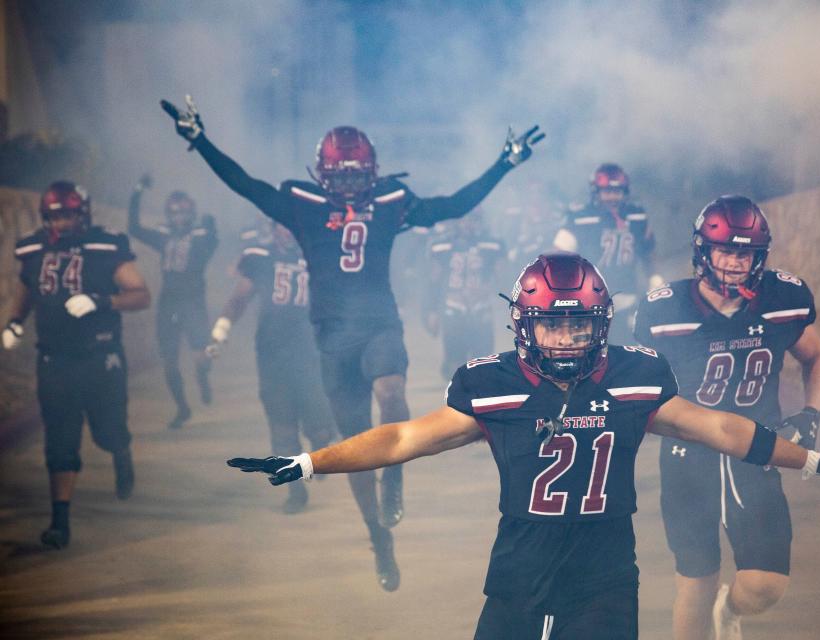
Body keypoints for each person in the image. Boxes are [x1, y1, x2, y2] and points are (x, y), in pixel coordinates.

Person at [227, 252, 820, 640]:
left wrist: (814, 459)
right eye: (552, 322)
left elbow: (723, 428)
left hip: (604, 579)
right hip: (518, 573)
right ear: (524, 322)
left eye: (577, 323)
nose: (565, 338)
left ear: (600, 324)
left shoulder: (634, 377)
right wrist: (311, 462)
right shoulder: (494, 385)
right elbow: (402, 437)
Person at [161, 95, 543, 591]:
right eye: (340, 177)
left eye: (356, 176)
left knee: (391, 393)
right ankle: (377, 537)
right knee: (355, 449)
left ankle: (397, 475)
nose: (348, 186)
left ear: (372, 171)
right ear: (323, 175)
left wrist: (503, 164)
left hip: (378, 323)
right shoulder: (303, 204)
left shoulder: (389, 201)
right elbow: (244, 184)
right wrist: (199, 140)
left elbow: (453, 205)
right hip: (331, 336)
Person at [633, 195, 820, 640]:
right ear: (702, 251)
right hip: (689, 456)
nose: (733, 262)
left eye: (744, 252)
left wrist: (812, 413)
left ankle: (730, 611)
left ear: (759, 257)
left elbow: (816, 355)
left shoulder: (784, 298)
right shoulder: (664, 311)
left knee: (765, 586)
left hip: (756, 453)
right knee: (696, 581)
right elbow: (639, 385)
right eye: (724, 250)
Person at [2, 181, 151, 549]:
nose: (62, 223)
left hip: (100, 357)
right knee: (60, 440)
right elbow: (25, 290)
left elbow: (141, 294)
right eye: (55, 215)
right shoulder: (34, 248)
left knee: (107, 431)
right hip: (54, 357)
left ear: (82, 214)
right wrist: (14, 322)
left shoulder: (106, 246)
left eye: (68, 214)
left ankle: (121, 451)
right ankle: (60, 521)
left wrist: (101, 301)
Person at [206, 220, 336, 514]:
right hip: (273, 352)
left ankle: (321, 451)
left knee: (319, 421)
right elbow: (240, 298)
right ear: (274, 228)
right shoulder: (260, 257)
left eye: (291, 226)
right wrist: (221, 331)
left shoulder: (318, 255)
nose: (288, 231)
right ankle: (295, 489)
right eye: (282, 225)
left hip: (311, 352)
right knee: (281, 424)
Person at [127, 174, 218, 429]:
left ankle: (202, 377)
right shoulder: (164, 236)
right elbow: (134, 228)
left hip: (193, 301)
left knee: (201, 355)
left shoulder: (201, 236)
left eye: (184, 214)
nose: (179, 219)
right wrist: (137, 192)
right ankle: (182, 407)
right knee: (169, 360)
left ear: (192, 214)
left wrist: (211, 225)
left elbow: (212, 243)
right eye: (174, 214)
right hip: (169, 302)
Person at [553, 163, 662, 343]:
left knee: (626, 354)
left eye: (617, 192)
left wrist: (655, 277)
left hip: (626, 298)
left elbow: (648, 252)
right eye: (607, 192)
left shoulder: (636, 216)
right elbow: (558, 258)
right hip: (589, 304)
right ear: (596, 192)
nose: (612, 197)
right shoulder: (580, 217)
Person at [424, 212, 505, 379]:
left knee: (483, 363)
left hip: (481, 309)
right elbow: (434, 280)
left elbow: (504, 278)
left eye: (473, 219)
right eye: (464, 218)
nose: (468, 223)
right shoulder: (440, 246)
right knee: (455, 363)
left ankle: (480, 399)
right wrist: (431, 311)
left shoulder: (493, 245)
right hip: (453, 308)